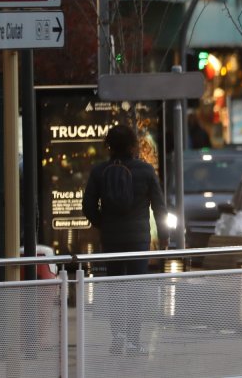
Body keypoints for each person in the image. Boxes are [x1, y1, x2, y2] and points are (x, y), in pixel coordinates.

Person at [82, 124, 168, 353]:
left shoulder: (99, 172)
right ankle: (133, 340)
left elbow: (88, 206)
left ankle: (117, 335)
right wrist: (165, 238)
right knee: (135, 289)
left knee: (116, 288)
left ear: (109, 146)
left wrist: (103, 224)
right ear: (133, 145)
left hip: (111, 239)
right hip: (138, 240)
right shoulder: (146, 171)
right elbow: (160, 208)